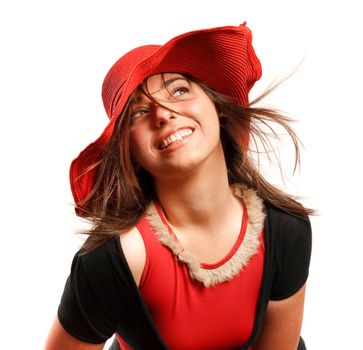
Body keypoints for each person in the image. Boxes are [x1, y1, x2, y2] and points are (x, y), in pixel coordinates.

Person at [45, 22, 313, 350]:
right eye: (139, 112)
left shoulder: (285, 229)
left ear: (219, 108)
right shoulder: (110, 260)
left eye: (179, 90)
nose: (163, 114)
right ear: (130, 151)